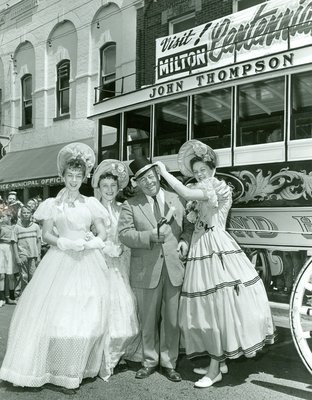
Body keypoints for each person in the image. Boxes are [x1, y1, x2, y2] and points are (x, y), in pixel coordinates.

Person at [0, 142, 131, 391]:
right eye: (69, 176)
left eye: (78, 176)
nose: (73, 180)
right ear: (62, 176)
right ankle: (58, 368)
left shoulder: (90, 203)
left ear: (84, 177)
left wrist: (92, 242)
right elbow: (47, 234)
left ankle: (76, 369)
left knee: (86, 316)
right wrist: (64, 242)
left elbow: (103, 232)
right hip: (60, 259)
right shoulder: (52, 204)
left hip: (87, 262)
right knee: (58, 316)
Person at [155, 139, 276, 388]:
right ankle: (217, 362)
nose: (200, 174)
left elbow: (187, 193)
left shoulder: (218, 187)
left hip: (216, 247)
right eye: (196, 172)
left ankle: (214, 367)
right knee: (205, 309)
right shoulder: (203, 191)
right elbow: (193, 219)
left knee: (216, 308)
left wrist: (165, 173)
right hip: (202, 248)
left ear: (212, 170)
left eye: (203, 171)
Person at [118, 155, 193, 382]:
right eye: (142, 180)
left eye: (151, 177)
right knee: (148, 319)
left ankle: (169, 363)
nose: (148, 182)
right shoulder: (131, 205)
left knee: (172, 320)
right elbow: (123, 234)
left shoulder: (176, 199)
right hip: (145, 272)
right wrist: (148, 236)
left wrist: (184, 242)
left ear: (157, 175)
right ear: (137, 184)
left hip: (173, 269)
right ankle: (149, 361)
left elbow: (189, 226)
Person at [92, 159, 140, 366]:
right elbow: (88, 235)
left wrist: (121, 248)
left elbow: (129, 233)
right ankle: (104, 353)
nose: (109, 190)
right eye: (105, 186)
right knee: (102, 304)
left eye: (113, 186)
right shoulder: (93, 208)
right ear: (99, 188)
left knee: (125, 303)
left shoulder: (123, 208)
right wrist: (103, 247)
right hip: (99, 262)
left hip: (122, 261)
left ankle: (120, 350)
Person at [12, 206, 41, 294]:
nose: (26, 214)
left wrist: (39, 255)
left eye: (28, 213)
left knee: (33, 275)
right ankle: (23, 295)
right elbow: (14, 242)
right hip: (22, 255)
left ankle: (32, 295)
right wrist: (17, 257)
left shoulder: (36, 226)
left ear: (31, 214)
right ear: (21, 214)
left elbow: (38, 241)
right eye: (24, 213)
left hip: (33, 255)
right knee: (23, 276)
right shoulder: (17, 227)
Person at [0, 210, 17, 307]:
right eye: (1, 217)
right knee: (1, 275)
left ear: (9, 217)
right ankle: (1, 298)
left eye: (3, 217)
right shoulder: (0, 227)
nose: (1, 219)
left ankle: (11, 297)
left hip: (10, 249)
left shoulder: (14, 227)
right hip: (1, 248)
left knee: (11, 274)